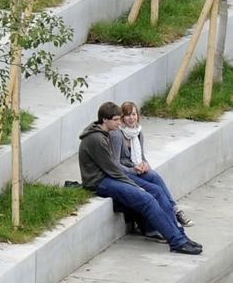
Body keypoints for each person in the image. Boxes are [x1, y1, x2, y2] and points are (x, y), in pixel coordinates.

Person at [79, 101, 200, 254]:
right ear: (105, 120)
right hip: (99, 181)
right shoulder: (97, 139)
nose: (119, 122)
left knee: (156, 190)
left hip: (110, 177)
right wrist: (136, 186)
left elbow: (115, 169)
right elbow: (113, 170)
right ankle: (176, 242)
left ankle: (180, 236)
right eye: (116, 120)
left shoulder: (104, 134)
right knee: (146, 198)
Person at [110, 101, 194, 229]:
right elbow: (114, 163)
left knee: (154, 176)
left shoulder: (138, 132)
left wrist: (145, 164)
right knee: (155, 190)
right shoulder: (117, 135)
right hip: (125, 172)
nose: (131, 118)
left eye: (134, 114)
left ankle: (175, 211)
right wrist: (133, 169)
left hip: (137, 168)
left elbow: (142, 156)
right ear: (122, 118)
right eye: (127, 115)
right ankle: (171, 220)